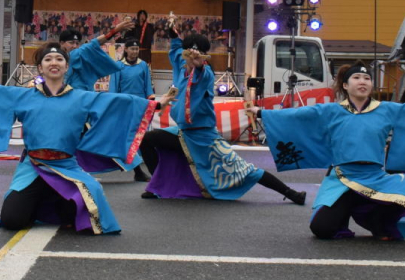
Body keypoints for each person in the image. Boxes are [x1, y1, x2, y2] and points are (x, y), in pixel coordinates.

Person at [0, 42, 156, 234]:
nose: (53, 63)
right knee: (11, 221)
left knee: (80, 219)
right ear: (40, 68)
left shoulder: (82, 97)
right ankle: (41, 200)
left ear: (66, 67)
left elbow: (119, 103)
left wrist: (155, 103)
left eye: (59, 60)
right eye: (48, 60)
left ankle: (55, 199)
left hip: (67, 167)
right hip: (33, 165)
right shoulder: (24, 96)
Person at [260, 64, 405, 240]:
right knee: (322, 229)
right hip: (342, 179)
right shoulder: (332, 110)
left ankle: (377, 220)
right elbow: (298, 116)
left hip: (374, 177)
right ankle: (348, 211)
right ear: (345, 85)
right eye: (356, 78)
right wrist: (262, 113)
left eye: (367, 78)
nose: (362, 81)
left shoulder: (386, 109)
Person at [141, 20, 305, 205]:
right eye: (187, 53)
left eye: (195, 54)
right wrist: (173, 35)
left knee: (245, 170)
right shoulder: (180, 67)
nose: (188, 57)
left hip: (204, 136)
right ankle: (159, 186)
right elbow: (175, 51)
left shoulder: (205, 73)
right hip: (183, 133)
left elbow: (203, 74)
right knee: (147, 140)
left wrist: (200, 65)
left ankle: (291, 193)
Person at [78, 37, 154, 182]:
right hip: (123, 102)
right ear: (125, 50)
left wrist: (149, 101)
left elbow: (147, 85)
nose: (134, 51)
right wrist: (114, 103)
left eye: (136, 49)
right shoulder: (118, 66)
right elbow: (113, 87)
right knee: (117, 136)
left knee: (134, 133)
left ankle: (137, 165)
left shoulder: (143, 65)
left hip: (138, 103)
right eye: (132, 48)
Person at [58, 17, 136, 91]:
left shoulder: (76, 55)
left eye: (77, 43)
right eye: (71, 43)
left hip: (81, 95)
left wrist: (115, 31)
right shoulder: (53, 58)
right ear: (61, 43)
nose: (75, 46)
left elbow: (93, 44)